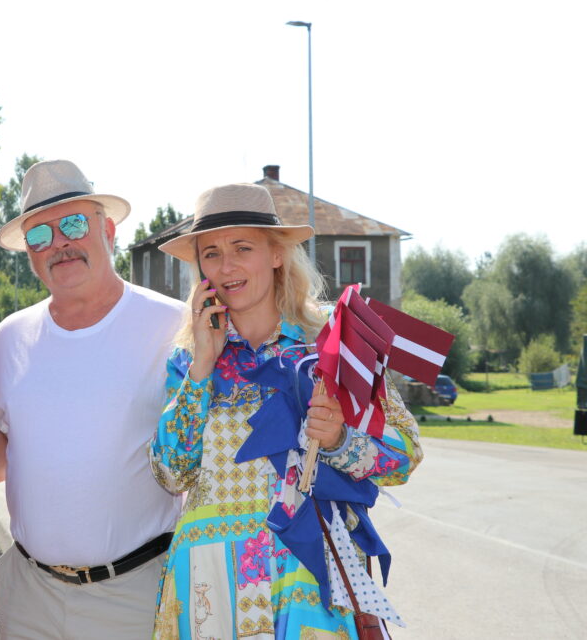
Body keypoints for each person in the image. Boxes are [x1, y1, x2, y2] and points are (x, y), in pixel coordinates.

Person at [148, 183, 423, 638]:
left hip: (308, 579)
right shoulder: (188, 360)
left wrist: (339, 441)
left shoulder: (331, 344)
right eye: (212, 253)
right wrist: (202, 368)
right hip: (209, 588)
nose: (227, 266)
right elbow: (170, 473)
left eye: (242, 248)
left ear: (277, 254)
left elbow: (405, 453)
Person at [0, 159, 187, 639]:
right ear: (29, 253)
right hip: (31, 596)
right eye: (40, 235)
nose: (59, 243)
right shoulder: (11, 337)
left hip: (136, 594)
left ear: (107, 230)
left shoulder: (174, 327)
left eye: (73, 224)